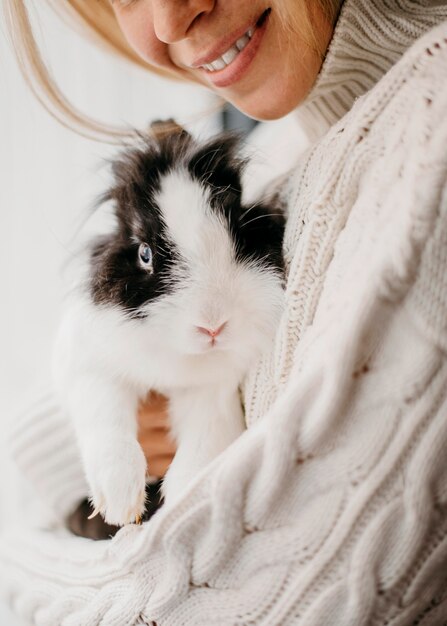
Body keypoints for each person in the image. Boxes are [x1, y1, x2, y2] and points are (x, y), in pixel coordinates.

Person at [1, 1, 447, 624]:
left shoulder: (428, 144)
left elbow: (249, 599)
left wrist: (10, 559)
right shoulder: (279, 136)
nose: (169, 20)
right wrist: (89, 423)